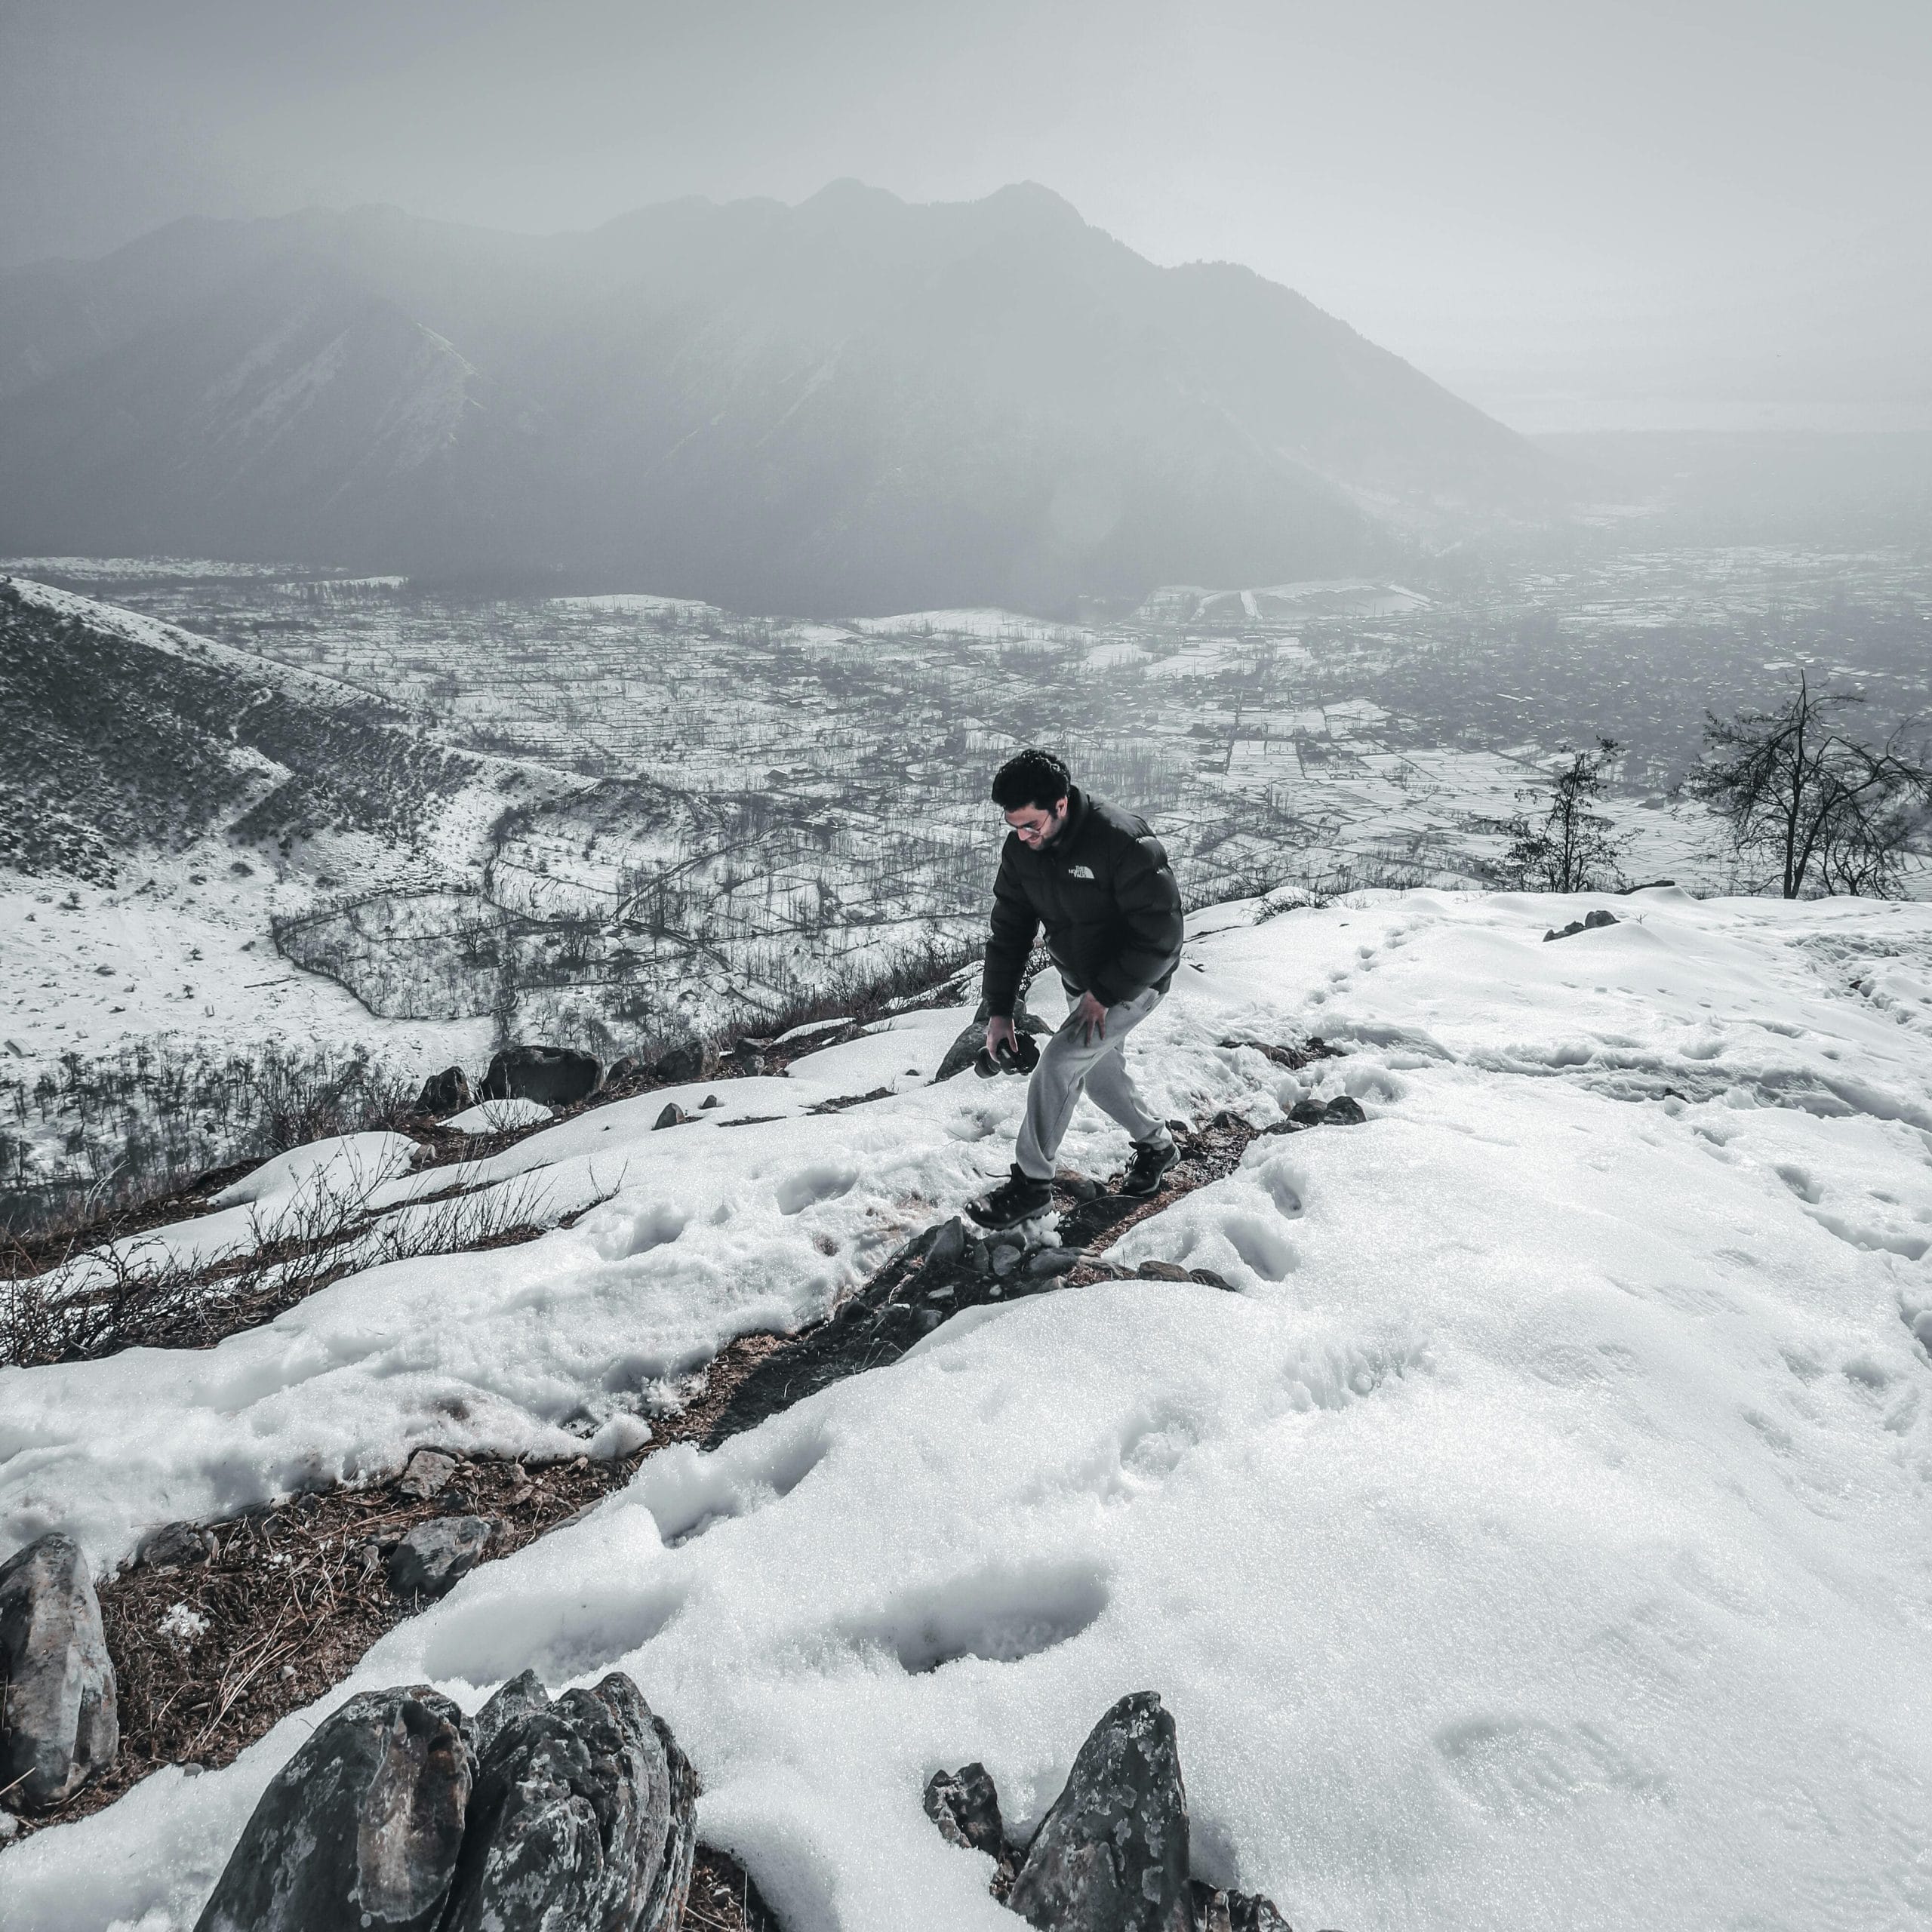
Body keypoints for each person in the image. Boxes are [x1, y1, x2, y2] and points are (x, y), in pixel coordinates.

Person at [967, 748, 1185, 1229]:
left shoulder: (1122, 841)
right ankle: (1157, 1145)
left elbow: (1163, 937)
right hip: (1080, 983)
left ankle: (1032, 1186)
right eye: (1014, 826)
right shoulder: (1022, 849)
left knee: (1060, 1063)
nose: (1023, 837)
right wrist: (999, 1012)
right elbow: (1009, 933)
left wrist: (1103, 994)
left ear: (1061, 805)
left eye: (1032, 825)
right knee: (1104, 1082)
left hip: (1131, 982)